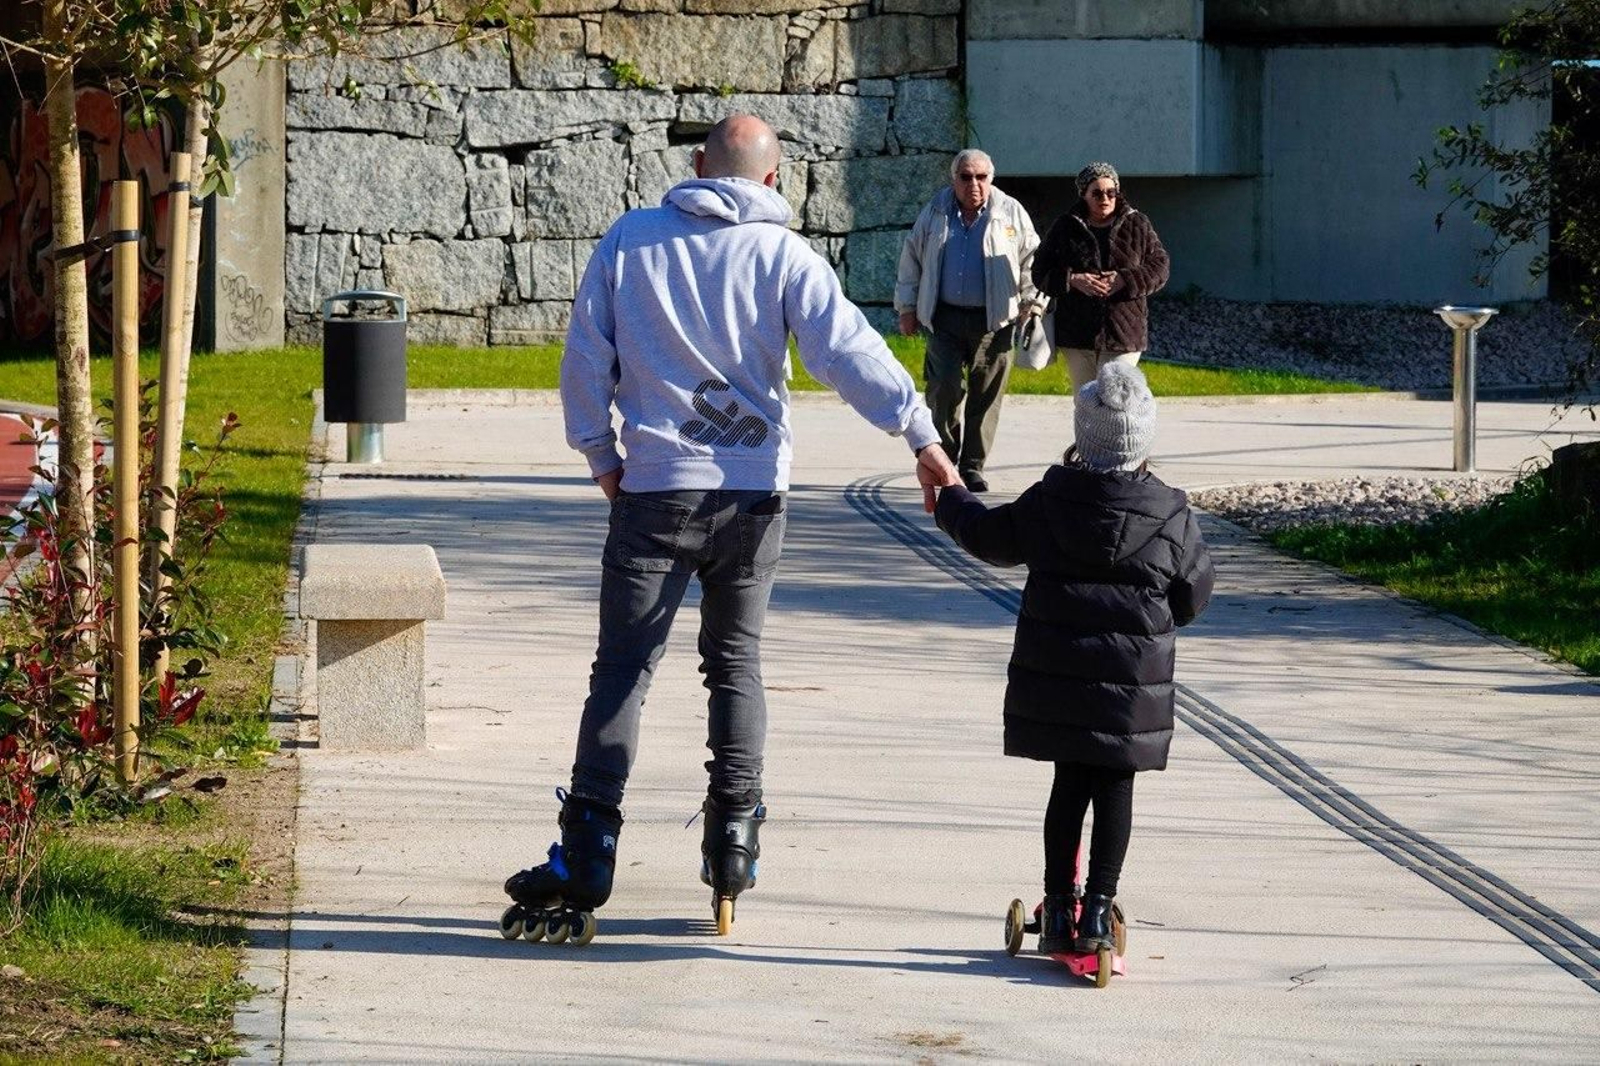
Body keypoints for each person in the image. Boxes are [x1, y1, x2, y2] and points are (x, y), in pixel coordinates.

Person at [502, 115, 961, 943]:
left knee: (624, 670)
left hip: (653, 491)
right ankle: (734, 840)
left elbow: (584, 356)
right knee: (736, 663)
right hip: (752, 500)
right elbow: (847, 350)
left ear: (696, 165)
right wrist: (920, 435)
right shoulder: (784, 255)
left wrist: (599, 453)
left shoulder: (632, 241)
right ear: (775, 182)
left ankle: (587, 853)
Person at [932, 361, 1213, 956]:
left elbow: (990, 538)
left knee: (1067, 788)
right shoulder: (1171, 515)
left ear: (1084, 436)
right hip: (1132, 686)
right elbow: (1192, 595)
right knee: (1115, 787)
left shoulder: (1050, 501)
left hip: (1058, 679)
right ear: (1144, 440)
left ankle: (1058, 907)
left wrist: (949, 498)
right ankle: (1099, 907)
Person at [896, 149, 1043, 494]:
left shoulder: (1010, 212)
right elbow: (912, 257)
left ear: (991, 178)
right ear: (954, 179)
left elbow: (1031, 260)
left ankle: (973, 466)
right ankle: (945, 459)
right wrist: (906, 307)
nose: (973, 185)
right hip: (944, 318)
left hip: (995, 321)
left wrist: (1032, 302)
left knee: (985, 396)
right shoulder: (936, 210)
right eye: (966, 177)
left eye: (981, 177)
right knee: (943, 389)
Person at [1032, 162, 1170, 392]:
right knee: (1086, 403)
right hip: (1077, 333)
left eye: (1110, 192)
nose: (1104, 198)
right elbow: (1039, 272)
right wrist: (1073, 279)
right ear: (1083, 194)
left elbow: (1160, 268)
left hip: (1123, 333)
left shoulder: (1137, 223)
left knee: (1116, 403)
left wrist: (1124, 280)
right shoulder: (1065, 226)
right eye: (1096, 193)